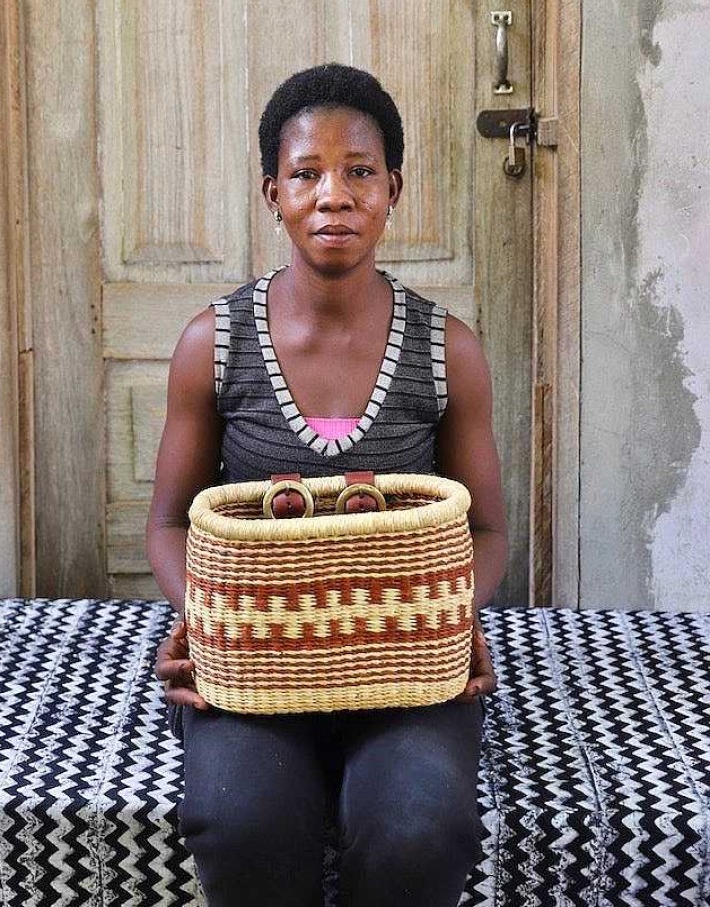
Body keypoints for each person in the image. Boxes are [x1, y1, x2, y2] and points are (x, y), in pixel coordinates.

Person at [146, 63, 508, 907]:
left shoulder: (445, 349)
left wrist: (450, 618)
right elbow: (169, 522)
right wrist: (203, 617)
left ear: (393, 189)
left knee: (422, 823)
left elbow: (484, 532)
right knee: (241, 821)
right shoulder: (215, 343)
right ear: (272, 192)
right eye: (306, 173)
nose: (333, 195)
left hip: (403, 657)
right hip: (259, 664)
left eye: (359, 172)